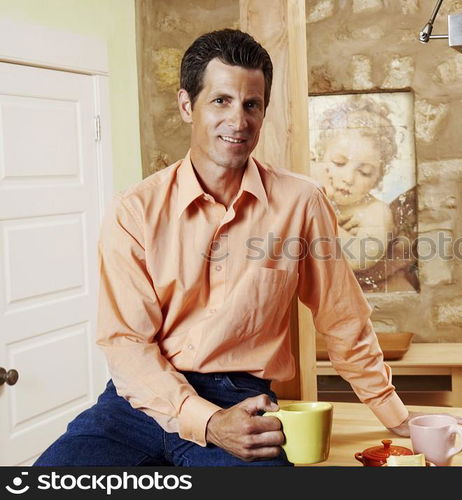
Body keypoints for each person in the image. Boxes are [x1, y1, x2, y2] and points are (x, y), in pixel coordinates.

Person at [33, 29, 432, 467]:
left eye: (251, 104)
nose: (238, 121)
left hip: (243, 402)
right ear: (188, 106)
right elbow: (126, 343)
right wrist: (204, 421)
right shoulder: (135, 211)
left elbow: (343, 318)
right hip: (135, 405)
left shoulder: (301, 202)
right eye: (221, 101)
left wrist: (394, 414)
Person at [312, 96, 418, 292]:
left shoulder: (376, 212)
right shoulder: (311, 185)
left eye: (364, 172)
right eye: (338, 163)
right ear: (320, 156)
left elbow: (357, 258)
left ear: (378, 177)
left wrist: (323, 217)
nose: (348, 178)